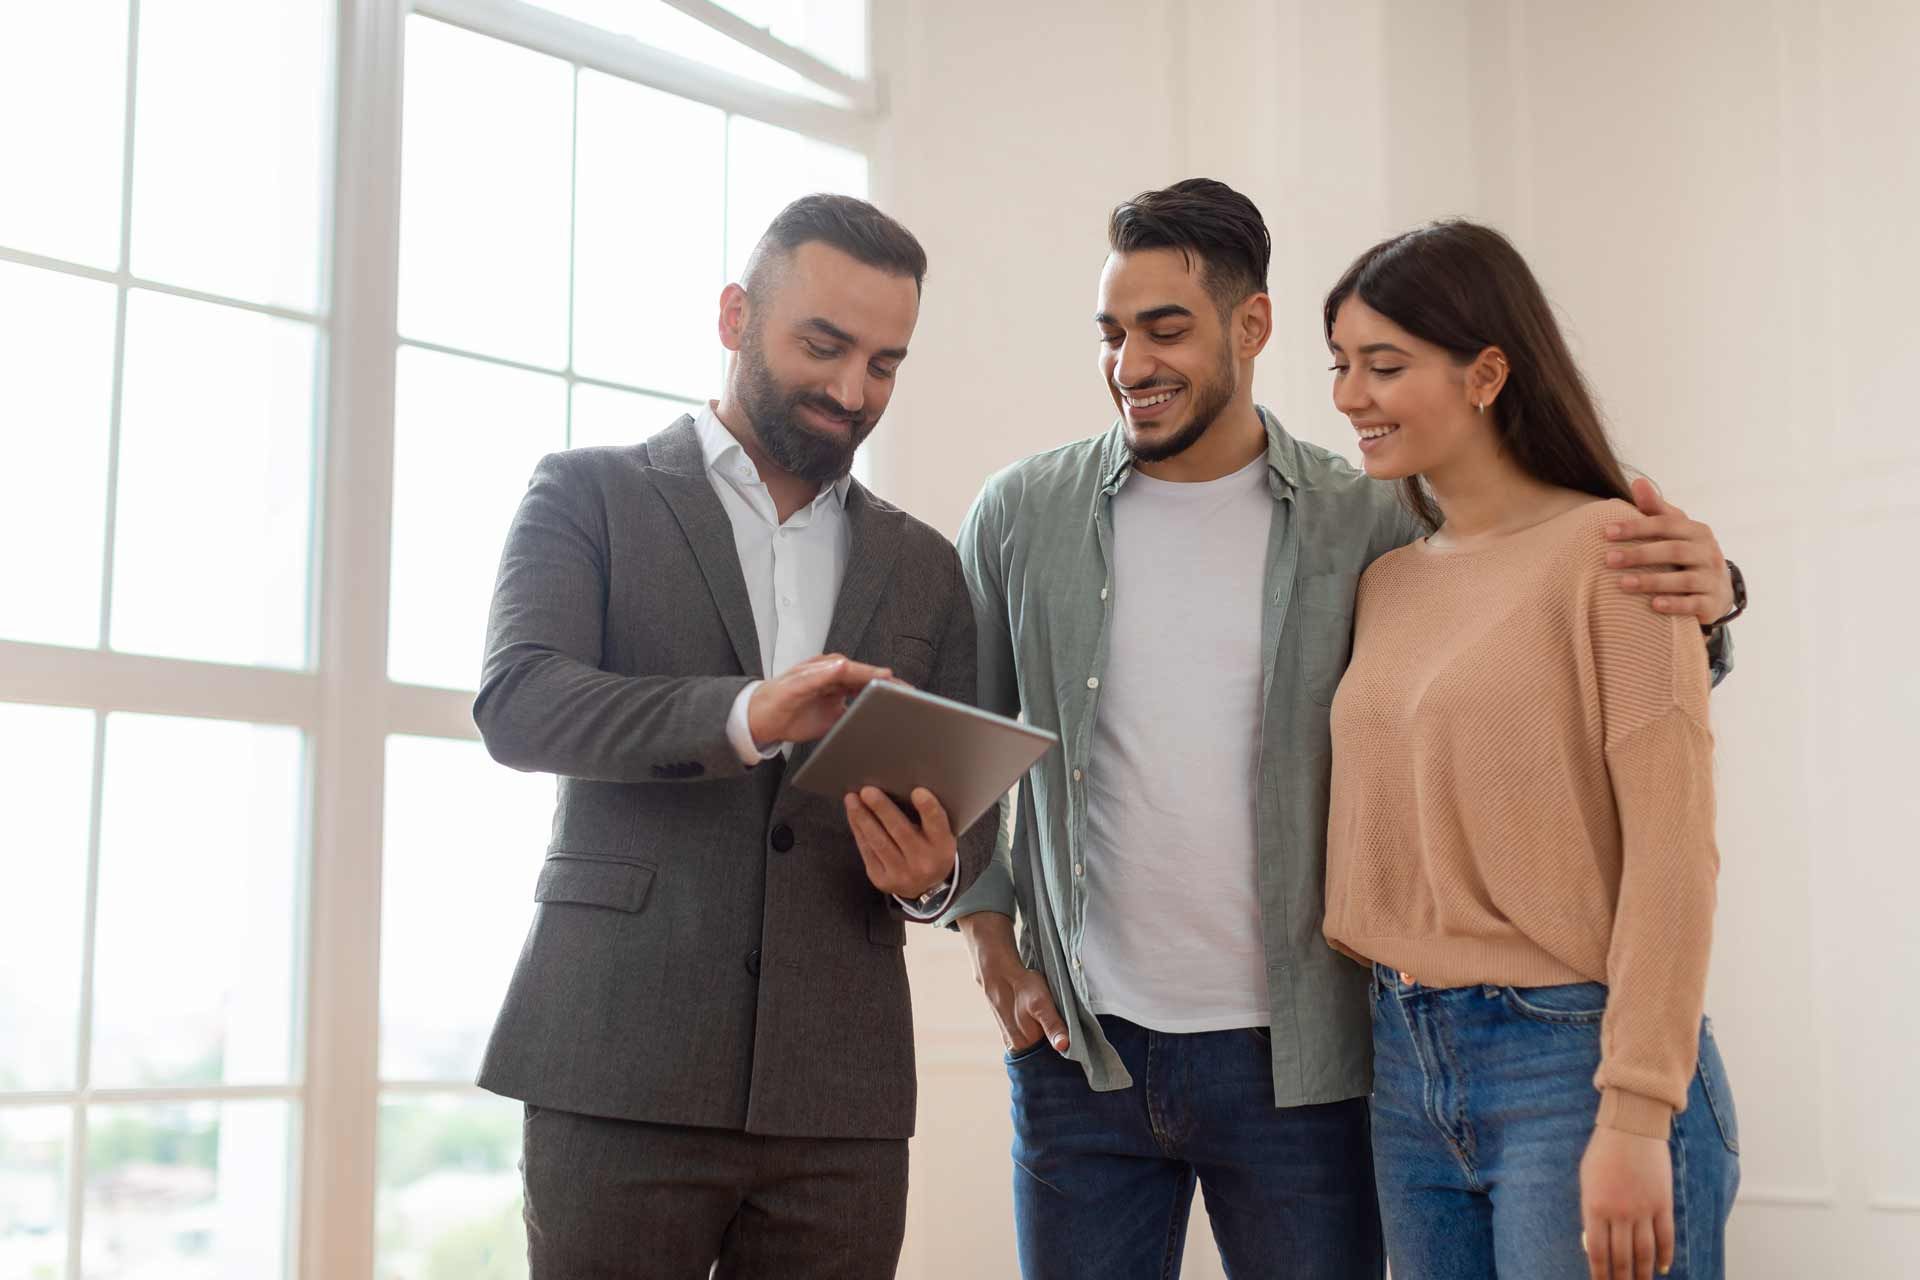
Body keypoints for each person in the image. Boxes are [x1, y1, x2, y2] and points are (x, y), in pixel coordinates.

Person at [934, 180, 1740, 1279]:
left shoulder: (1375, 521)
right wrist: (989, 942)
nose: (1132, 362)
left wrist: (1714, 591)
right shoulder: (1036, 516)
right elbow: (966, 741)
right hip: (1160, 1053)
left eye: (1165, 328)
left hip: (1346, 1060)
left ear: (1246, 325)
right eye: (1113, 334)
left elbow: (1644, 779)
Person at [471, 193, 994, 1279]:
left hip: (840, 1097)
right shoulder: (588, 493)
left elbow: (966, 826)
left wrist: (937, 874)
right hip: (615, 1062)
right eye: (825, 344)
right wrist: (744, 712)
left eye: (886, 364)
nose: (855, 391)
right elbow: (521, 701)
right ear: (733, 316)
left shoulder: (926, 565)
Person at [1322, 219, 1739, 1280]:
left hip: (1573, 1056)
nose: (1349, 397)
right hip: (1406, 1068)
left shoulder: (1614, 554)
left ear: (1488, 371)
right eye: (1339, 365)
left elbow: (1673, 853)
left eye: (1383, 365)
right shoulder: (1388, 580)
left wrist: (1640, 1112)